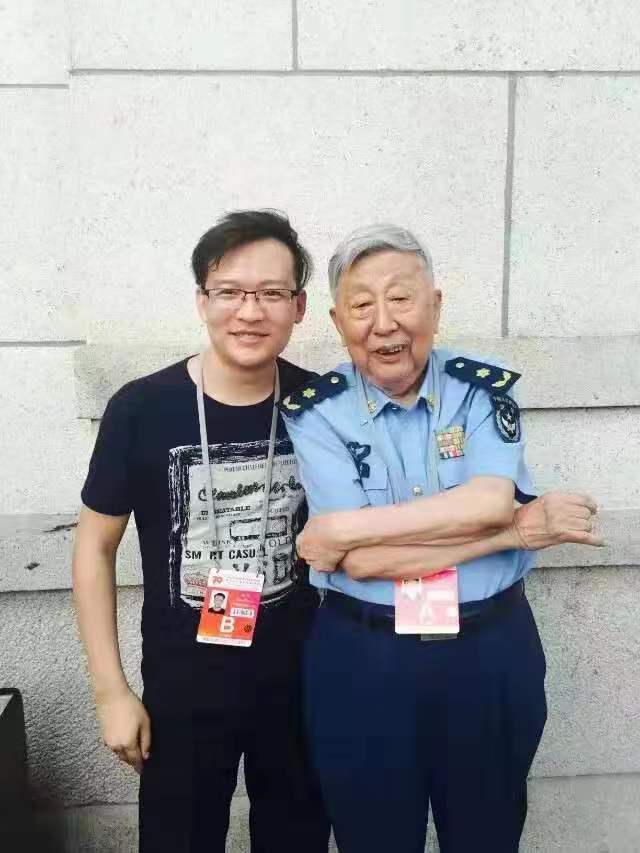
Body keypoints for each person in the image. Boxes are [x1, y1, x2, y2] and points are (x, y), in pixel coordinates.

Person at [279, 224, 603, 853]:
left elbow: (487, 501)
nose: (384, 323)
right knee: (374, 838)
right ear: (338, 322)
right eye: (361, 304)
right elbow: (364, 565)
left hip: (488, 652)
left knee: (487, 835)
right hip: (364, 658)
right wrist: (513, 531)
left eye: (401, 298)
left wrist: (344, 527)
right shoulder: (317, 411)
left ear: (435, 304)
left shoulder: (482, 391)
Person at [72, 210, 330, 853]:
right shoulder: (141, 409)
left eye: (271, 293)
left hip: (300, 681)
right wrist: (111, 692)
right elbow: (94, 548)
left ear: (299, 307)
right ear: (201, 300)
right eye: (230, 292)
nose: (250, 311)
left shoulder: (322, 406)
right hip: (182, 686)